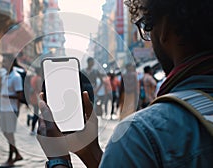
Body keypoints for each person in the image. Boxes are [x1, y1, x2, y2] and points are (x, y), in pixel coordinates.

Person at [36, 0, 213, 167]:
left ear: (165, 27)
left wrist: (58, 160)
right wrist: (92, 153)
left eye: (147, 25)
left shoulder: (142, 136)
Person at [0, 55, 23, 167]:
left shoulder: (16, 77)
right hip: (4, 108)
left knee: (10, 134)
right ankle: (16, 154)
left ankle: (10, 159)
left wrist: (6, 96)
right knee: (6, 133)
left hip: (11, 109)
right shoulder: (4, 76)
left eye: (5, 62)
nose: (3, 64)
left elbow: (20, 96)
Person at [28, 67, 42, 135]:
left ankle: (31, 120)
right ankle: (33, 129)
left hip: (33, 97)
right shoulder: (39, 78)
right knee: (37, 114)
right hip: (37, 98)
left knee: (36, 113)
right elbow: (39, 89)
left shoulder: (33, 78)